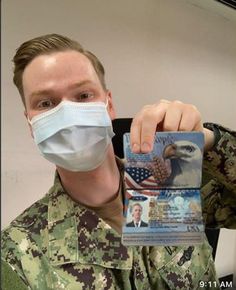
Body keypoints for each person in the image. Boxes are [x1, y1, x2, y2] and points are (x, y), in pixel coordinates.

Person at [1, 33, 236, 290]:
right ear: (30, 124)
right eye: (46, 103)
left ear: (109, 105)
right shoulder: (16, 256)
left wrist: (210, 142)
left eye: (83, 96)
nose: (68, 113)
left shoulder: (174, 181)